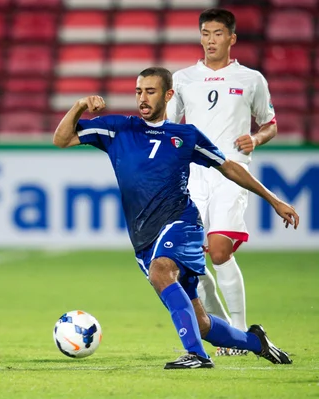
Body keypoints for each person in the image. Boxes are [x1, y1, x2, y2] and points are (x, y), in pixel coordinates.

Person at [52, 66, 297, 369]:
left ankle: (196, 356)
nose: (142, 98)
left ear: (168, 95)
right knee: (201, 323)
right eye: (139, 91)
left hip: (182, 223)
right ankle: (255, 341)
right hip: (143, 236)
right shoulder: (117, 129)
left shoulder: (185, 136)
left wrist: (274, 200)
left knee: (161, 271)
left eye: (150, 91)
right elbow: (62, 139)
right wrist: (78, 107)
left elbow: (230, 167)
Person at [167, 9, 277, 356]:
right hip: (193, 176)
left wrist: (256, 139)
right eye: (205, 33)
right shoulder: (183, 78)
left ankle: (244, 333)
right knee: (192, 263)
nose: (210, 40)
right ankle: (224, 332)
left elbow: (270, 123)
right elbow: (169, 126)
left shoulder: (251, 79)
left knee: (218, 251)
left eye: (217, 33)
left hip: (231, 172)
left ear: (232, 38)